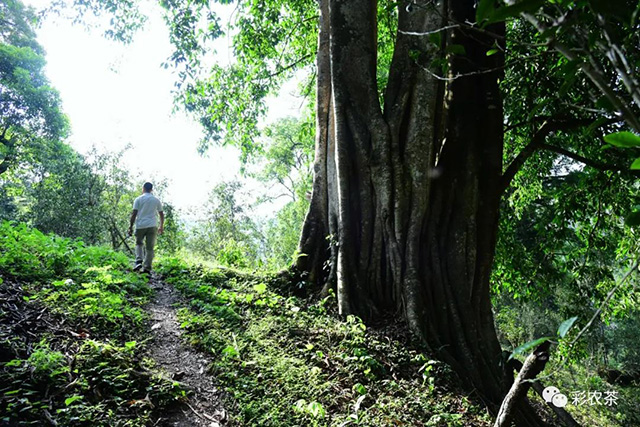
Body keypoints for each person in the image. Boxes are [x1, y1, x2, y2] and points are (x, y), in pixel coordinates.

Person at [128, 182, 164, 273]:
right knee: (150, 248)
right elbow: (161, 214)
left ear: (143, 188)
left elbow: (134, 214)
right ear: (151, 189)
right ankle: (147, 268)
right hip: (152, 225)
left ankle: (139, 260)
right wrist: (161, 226)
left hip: (140, 225)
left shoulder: (138, 199)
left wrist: (130, 227)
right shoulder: (156, 200)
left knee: (139, 243)